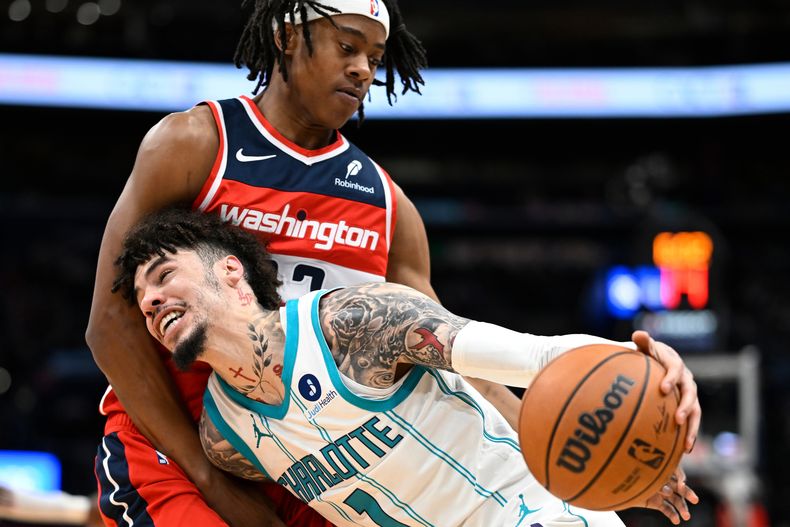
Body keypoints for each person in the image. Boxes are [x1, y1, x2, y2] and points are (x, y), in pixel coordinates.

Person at [85, 1, 525, 525]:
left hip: (307, 464)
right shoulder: (196, 143)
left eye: (374, 56)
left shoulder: (388, 205)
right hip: (174, 443)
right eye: (346, 47)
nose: (363, 69)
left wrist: (550, 440)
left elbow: (452, 356)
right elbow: (109, 324)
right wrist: (206, 476)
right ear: (286, 39)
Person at [113, 208, 701, 526]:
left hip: (528, 513)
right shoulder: (224, 438)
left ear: (233, 273)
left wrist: (646, 362)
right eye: (143, 299)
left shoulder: (357, 323)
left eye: (165, 275)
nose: (152, 301)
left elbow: (537, 356)